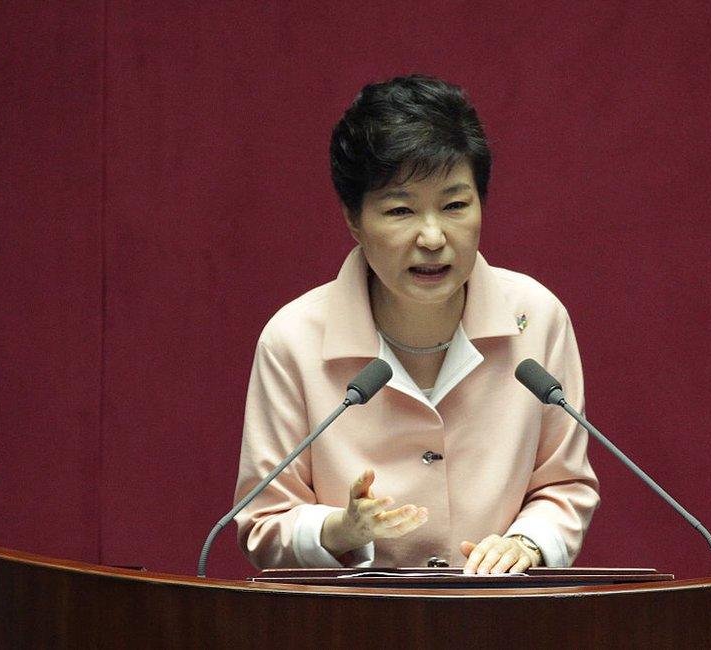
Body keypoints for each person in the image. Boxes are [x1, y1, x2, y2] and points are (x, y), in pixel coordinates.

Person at [234, 75, 599, 574]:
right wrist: (338, 530)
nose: (432, 236)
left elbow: (565, 485)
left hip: (500, 622)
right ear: (353, 219)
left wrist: (526, 543)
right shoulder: (294, 339)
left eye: (454, 205)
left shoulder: (535, 320)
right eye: (401, 209)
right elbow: (262, 522)